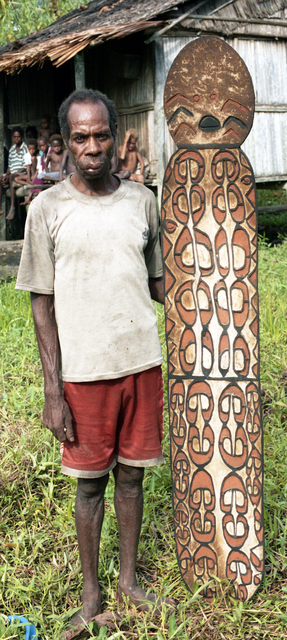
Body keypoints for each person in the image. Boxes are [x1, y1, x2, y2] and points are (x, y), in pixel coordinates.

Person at [15, 89, 174, 634]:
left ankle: (129, 580)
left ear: (113, 136)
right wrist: (53, 391)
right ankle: (91, 593)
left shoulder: (141, 201)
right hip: (84, 373)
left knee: (133, 477)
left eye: (101, 134)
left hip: (142, 362)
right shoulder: (46, 209)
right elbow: (42, 301)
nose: (93, 147)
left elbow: (158, 282)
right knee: (90, 485)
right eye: (81, 137)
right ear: (65, 143)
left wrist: (212, 277)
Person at [0, 127, 28, 219]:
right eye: (15, 137)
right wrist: (6, 175)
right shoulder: (11, 149)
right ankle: (0, 207)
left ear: (22, 137)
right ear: (12, 137)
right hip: (12, 173)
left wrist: (11, 175)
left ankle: (12, 207)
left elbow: (25, 166)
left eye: (18, 137)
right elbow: (10, 166)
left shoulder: (25, 148)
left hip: (21, 173)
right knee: (1, 178)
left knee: (12, 178)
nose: (16, 139)